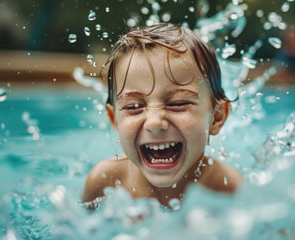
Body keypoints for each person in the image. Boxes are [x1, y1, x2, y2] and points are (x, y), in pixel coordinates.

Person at [82, 23, 243, 208]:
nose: (155, 122)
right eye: (134, 106)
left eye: (178, 104)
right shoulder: (104, 183)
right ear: (115, 120)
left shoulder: (230, 190)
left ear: (216, 117)